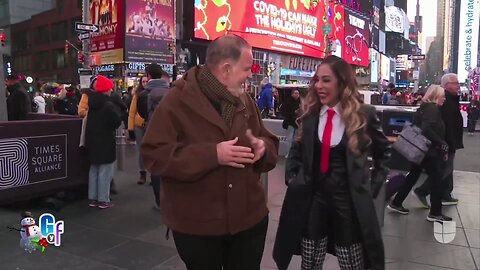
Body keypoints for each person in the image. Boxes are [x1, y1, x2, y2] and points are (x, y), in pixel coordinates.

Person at [141, 34, 279, 270]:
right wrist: (213, 154)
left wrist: (263, 148)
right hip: (198, 228)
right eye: (246, 69)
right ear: (226, 69)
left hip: (249, 220)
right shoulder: (177, 100)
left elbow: (268, 141)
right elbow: (154, 155)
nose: (249, 75)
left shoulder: (245, 101)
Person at [273, 55, 390, 270]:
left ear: (342, 82)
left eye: (326, 80)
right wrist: (292, 177)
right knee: (310, 262)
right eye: (316, 80)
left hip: (347, 202)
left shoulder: (363, 115)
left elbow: (384, 153)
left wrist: (371, 187)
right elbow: (297, 149)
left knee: (352, 262)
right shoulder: (309, 115)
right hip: (313, 200)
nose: (319, 86)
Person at [387, 85, 451, 222]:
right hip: (429, 152)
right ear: (436, 96)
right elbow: (426, 129)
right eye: (442, 95)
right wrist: (441, 143)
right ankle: (435, 213)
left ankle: (396, 202)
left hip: (421, 151)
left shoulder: (423, 107)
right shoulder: (432, 109)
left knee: (413, 176)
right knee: (437, 179)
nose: (444, 98)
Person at [414, 74, 464, 207]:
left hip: (447, 141)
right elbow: (443, 125)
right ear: (446, 85)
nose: (458, 85)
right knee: (443, 170)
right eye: (455, 83)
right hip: (446, 142)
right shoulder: (445, 101)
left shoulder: (451, 99)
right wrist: (444, 143)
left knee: (446, 169)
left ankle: (445, 194)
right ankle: (423, 191)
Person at [85, 75, 121, 209]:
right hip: (105, 140)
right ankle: (103, 199)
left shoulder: (92, 103)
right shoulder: (108, 105)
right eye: (110, 88)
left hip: (93, 141)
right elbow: (116, 122)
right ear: (106, 90)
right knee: (105, 171)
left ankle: (93, 197)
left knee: (94, 169)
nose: (111, 91)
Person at [128, 76, 148, 184]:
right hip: (139, 125)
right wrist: (130, 128)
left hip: (150, 123)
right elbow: (132, 112)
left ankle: (153, 173)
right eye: (143, 81)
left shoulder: (152, 93)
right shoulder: (137, 95)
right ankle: (142, 173)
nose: (145, 83)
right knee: (141, 150)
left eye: (146, 81)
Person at [281, 89, 301, 156]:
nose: (297, 95)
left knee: (296, 139)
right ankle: (289, 153)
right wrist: (293, 113)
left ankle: (294, 153)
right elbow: (284, 111)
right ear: (292, 94)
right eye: (295, 93)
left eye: (298, 93)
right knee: (289, 138)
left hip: (298, 123)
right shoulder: (288, 102)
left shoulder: (300, 102)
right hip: (290, 122)